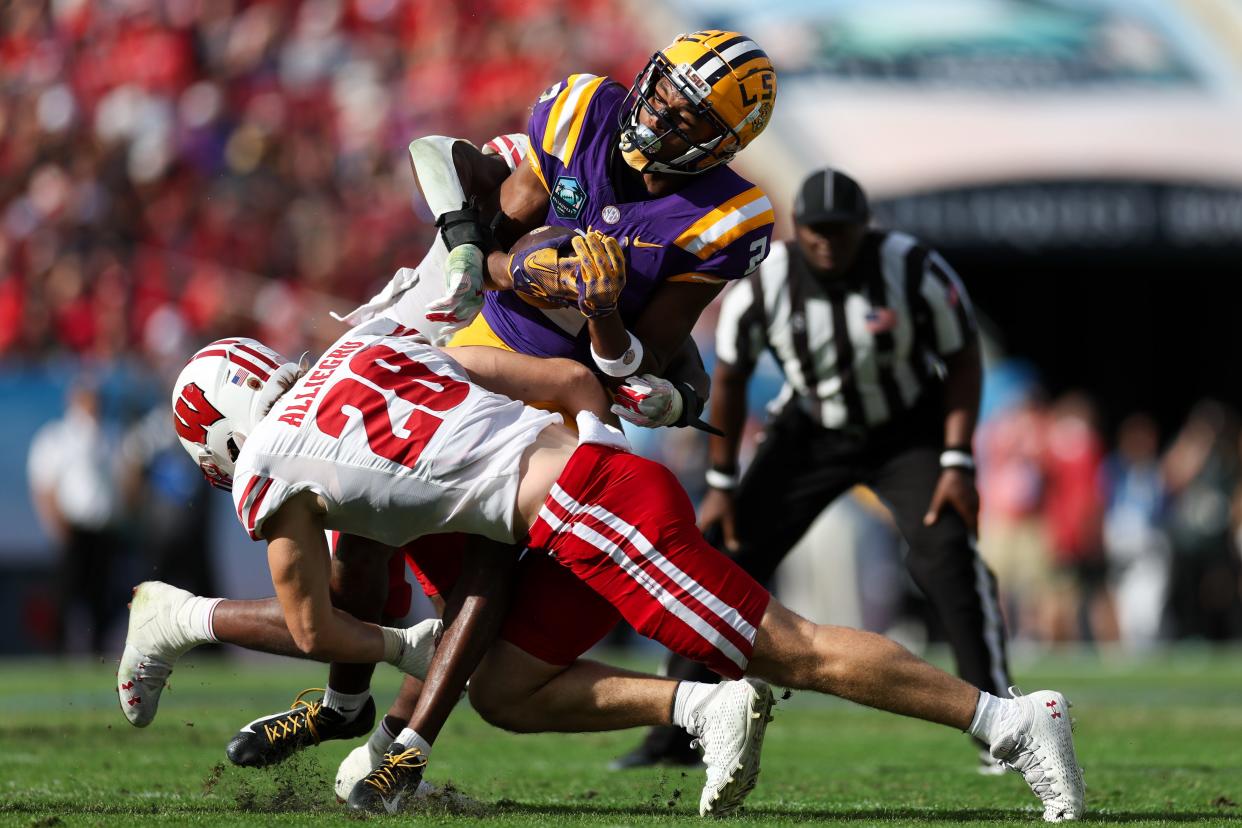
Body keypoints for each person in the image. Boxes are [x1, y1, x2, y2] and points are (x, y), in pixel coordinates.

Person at [122, 320, 1085, 822]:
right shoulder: (367, 349)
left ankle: (1007, 720)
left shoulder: (268, 465)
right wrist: (588, 431)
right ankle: (698, 712)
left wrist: (396, 651)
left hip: (590, 506)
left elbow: (312, 629)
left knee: (789, 651)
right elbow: (555, 382)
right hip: (580, 488)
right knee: (501, 684)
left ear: (223, 434)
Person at [230, 27, 784, 785]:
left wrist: (606, 317)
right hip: (466, 338)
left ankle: (406, 747)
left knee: (488, 558)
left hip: (557, 388)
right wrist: (486, 259)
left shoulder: (727, 217)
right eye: (661, 90)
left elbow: (642, 358)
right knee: (355, 525)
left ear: (721, 144)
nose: (658, 114)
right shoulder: (582, 108)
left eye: (687, 116)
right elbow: (451, 170)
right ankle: (342, 702)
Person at [617, 168, 1013, 772]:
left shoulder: (911, 268)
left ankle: (1002, 726)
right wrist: (722, 481)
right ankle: (675, 732)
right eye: (816, 231)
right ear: (798, 230)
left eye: (840, 231)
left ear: (863, 230)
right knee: (722, 557)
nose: (828, 242)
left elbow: (961, 357)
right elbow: (731, 376)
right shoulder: (765, 279)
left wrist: (957, 459)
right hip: (807, 431)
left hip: (904, 431)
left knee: (946, 553)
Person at [28, 379, 125, 655]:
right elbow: (44, 485)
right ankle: (56, 652)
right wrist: (56, 523)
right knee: (66, 594)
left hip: (104, 528)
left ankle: (97, 651)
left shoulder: (111, 435)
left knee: (101, 596)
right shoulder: (57, 437)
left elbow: (122, 482)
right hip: (73, 527)